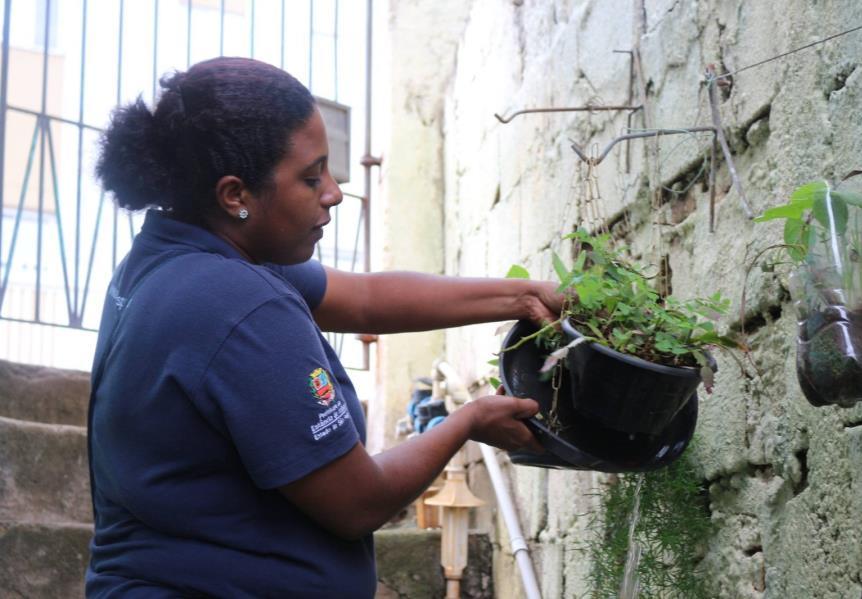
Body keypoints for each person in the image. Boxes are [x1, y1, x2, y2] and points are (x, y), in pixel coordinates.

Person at [86, 56, 561, 597]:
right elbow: (358, 501)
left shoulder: (177, 253)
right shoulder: (236, 303)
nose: (333, 192)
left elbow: (364, 299)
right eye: (311, 178)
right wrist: (466, 421)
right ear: (235, 194)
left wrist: (522, 296)